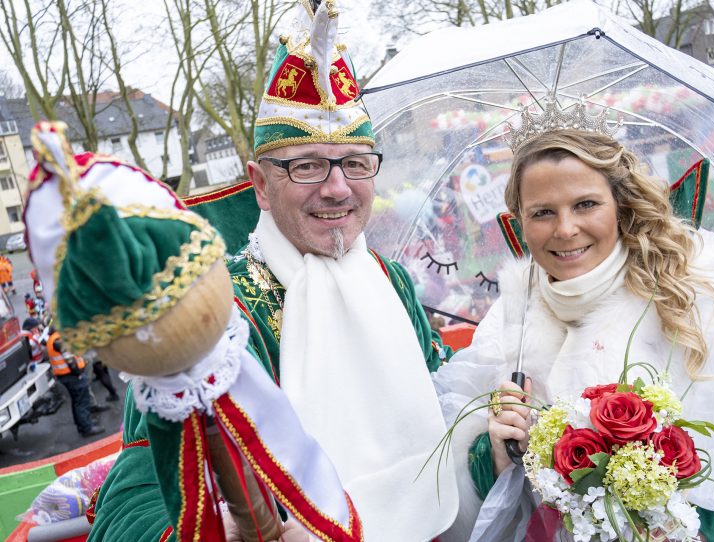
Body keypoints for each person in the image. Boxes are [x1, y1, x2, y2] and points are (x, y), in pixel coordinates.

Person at [89, 4, 458, 541]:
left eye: (355, 163)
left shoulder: (392, 281)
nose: (337, 188)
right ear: (260, 184)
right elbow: (132, 500)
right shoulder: (209, 315)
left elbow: (441, 405)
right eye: (307, 165)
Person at [433, 129, 714, 541]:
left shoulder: (697, 293)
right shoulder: (511, 319)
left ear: (620, 204)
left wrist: (682, 525)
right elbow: (463, 491)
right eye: (542, 212)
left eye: (585, 204)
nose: (565, 229)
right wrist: (500, 456)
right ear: (519, 220)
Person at [46, 330, 104, 437]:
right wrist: (78, 373)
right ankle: (87, 428)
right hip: (72, 376)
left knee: (77, 401)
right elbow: (70, 359)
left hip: (66, 376)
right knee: (82, 401)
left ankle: (84, 424)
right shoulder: (58, 339)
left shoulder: (53, 339)